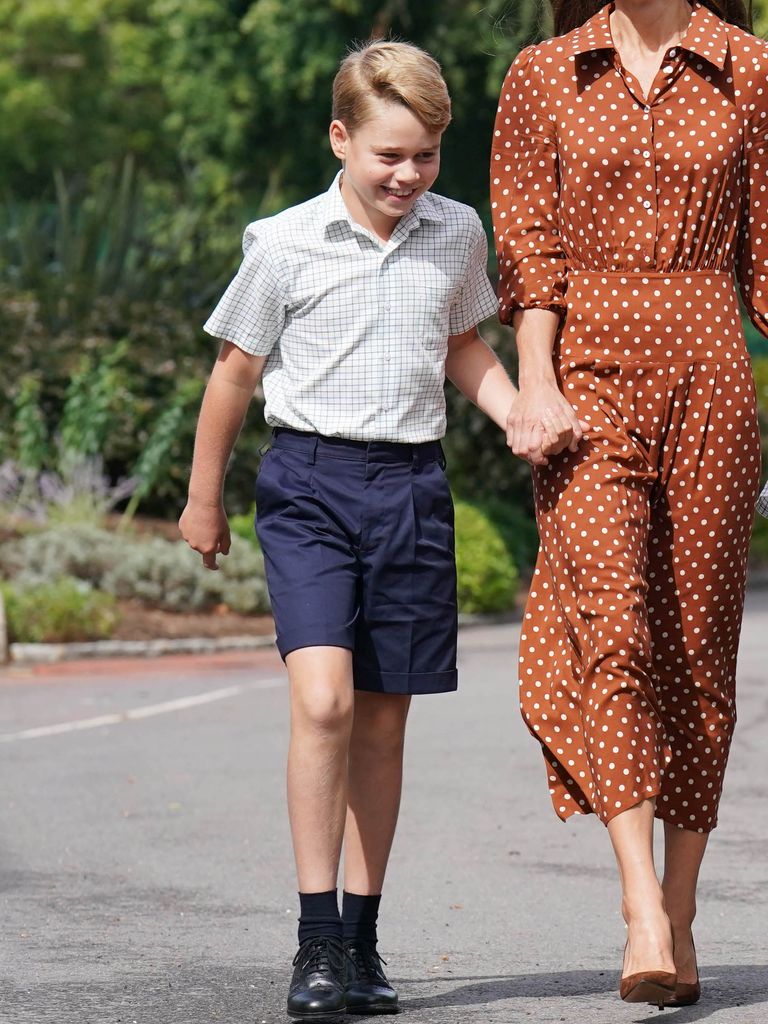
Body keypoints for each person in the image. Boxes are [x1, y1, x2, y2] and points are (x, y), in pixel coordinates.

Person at [180, 39, 537, 1023]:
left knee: (384, 716)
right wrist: (205, 498)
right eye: (387, 155)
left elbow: (464, 346)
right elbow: (234, 377)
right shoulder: (284, 241)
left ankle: (364, 938)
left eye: (424, 155)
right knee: (327, 701)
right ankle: (315, 939)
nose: (406, 175)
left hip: (412, 488)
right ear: (340, 138)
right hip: (310, 487)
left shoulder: (456, 232)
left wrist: (515, 415)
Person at [491, 0, 764, 1009]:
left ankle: (683, 907)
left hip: (711, 371)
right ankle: (641, 903)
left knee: (698, 642)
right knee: (614, 626)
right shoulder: (544, 71)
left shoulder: (750, 69)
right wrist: (535, 380)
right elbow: (526, 247)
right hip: (582, 376)